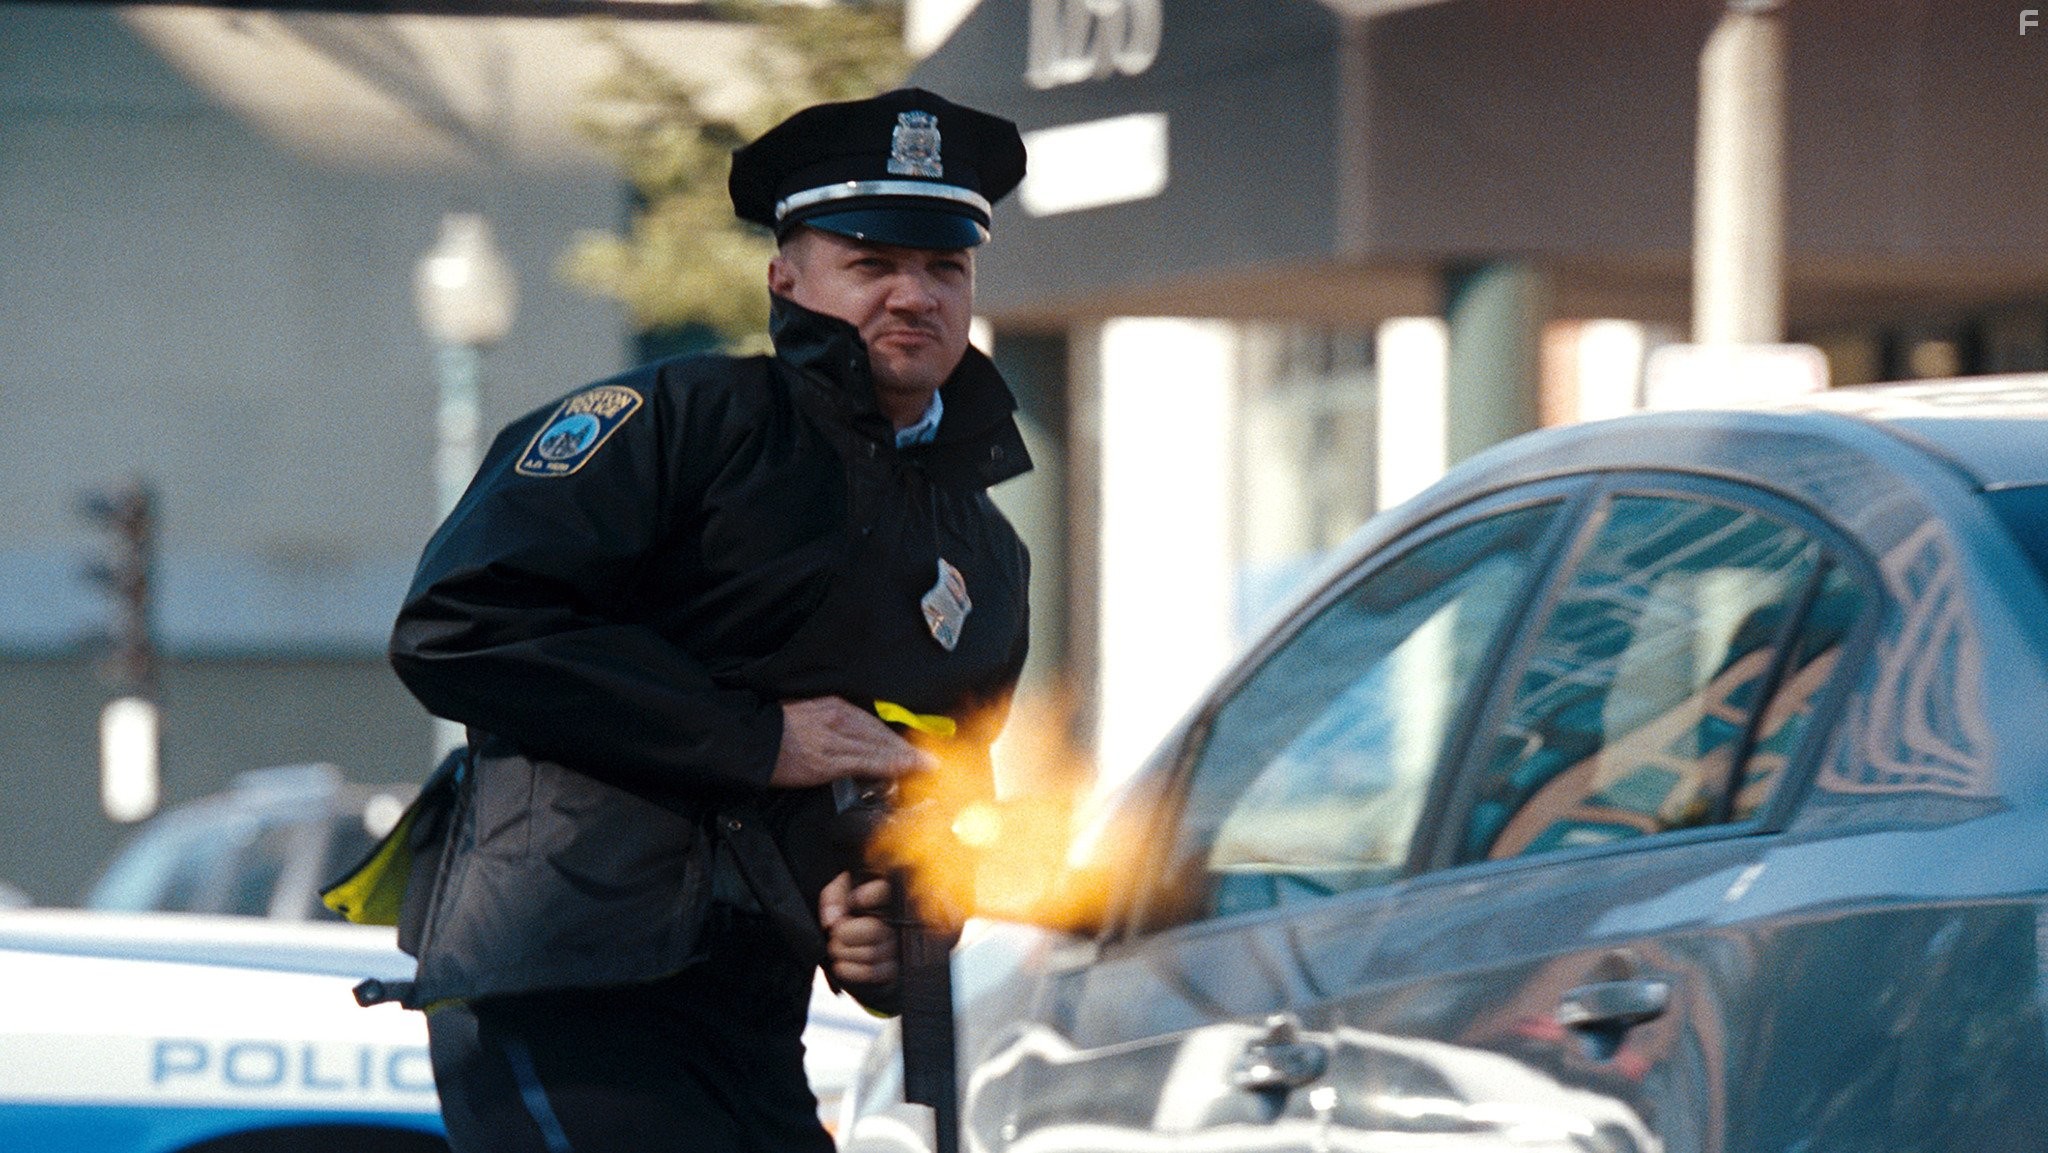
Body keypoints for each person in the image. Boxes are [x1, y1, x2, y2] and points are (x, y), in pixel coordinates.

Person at [382, 88, 1031, 1153]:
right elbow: (460, 624)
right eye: (870, 264)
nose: (912, 294)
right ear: (787, 278)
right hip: (565, 982)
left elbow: (941, 800)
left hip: (749, 1013)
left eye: (943, 267)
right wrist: (758, 738)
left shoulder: (986, 552)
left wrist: (895, 929)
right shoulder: (671, 422)